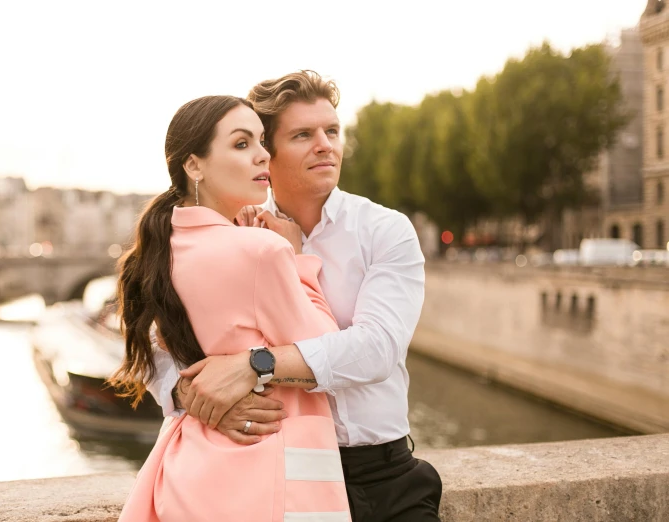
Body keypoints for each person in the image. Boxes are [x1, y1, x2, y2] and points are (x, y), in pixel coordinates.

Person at [147, 71, 443, 521]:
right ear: (270, 152)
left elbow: (377, 350)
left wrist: (252, 365)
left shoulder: (385, 230)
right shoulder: (232, 233)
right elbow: (155, 343)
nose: (326, 144)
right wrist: (196, 398)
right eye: (303, 135)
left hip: (381, 477)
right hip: (270, 471)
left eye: (332, 131)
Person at [112, 95, 351, 521]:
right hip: (266, 477)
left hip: (188, 471)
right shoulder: (262, 250)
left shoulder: (158, 251)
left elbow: (155, 353)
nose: (263, 155)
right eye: (242, 144)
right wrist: (297, 260)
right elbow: (326, 349)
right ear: (194, 165)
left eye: (261, 141)